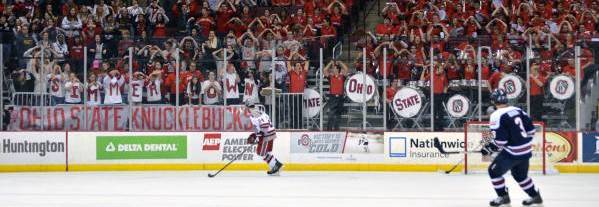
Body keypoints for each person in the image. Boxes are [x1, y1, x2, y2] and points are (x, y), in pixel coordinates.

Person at [486, 89, 543, 207]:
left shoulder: (496, 115)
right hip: (526, 150)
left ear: (493, 101)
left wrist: (488, 148)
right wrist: (521, 141)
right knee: (520, 176)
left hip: (513, 153)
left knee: (493, 171)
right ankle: (535, 197)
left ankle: (503, 197)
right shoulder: (518, 110)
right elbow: (531, 131)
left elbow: (501, 141)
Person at [245, 102, 283, 176]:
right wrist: (255, 135)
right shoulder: (260, 111)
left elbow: (264, 125)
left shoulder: (254, 113)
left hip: (266, 135)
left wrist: (260, 134)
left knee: (260, 152)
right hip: (271, 133)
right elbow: (259, 127)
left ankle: (277, 165)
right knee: (267, 152)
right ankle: (275, 169)